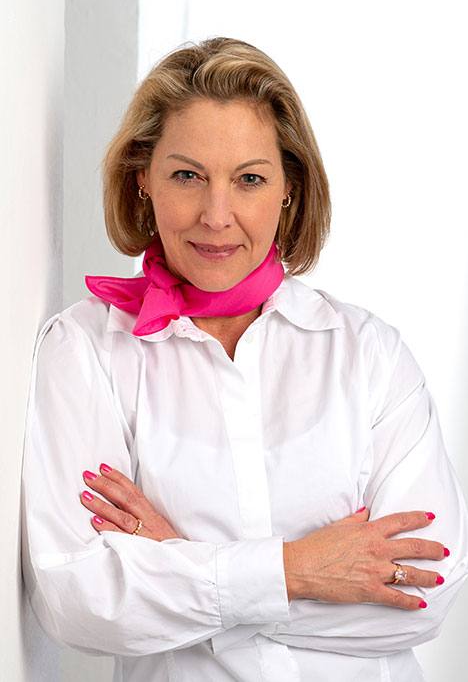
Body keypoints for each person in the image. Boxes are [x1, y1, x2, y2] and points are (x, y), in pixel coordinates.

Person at [22, 37, 468, 682]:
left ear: (289, 187)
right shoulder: (86, 348)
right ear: (142, 179)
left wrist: (184, 565)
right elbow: (78, 598)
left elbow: (424, 592)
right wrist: (301, 570)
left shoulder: (369, 353)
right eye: (187, 176)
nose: (216, 215)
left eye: (249, 179)